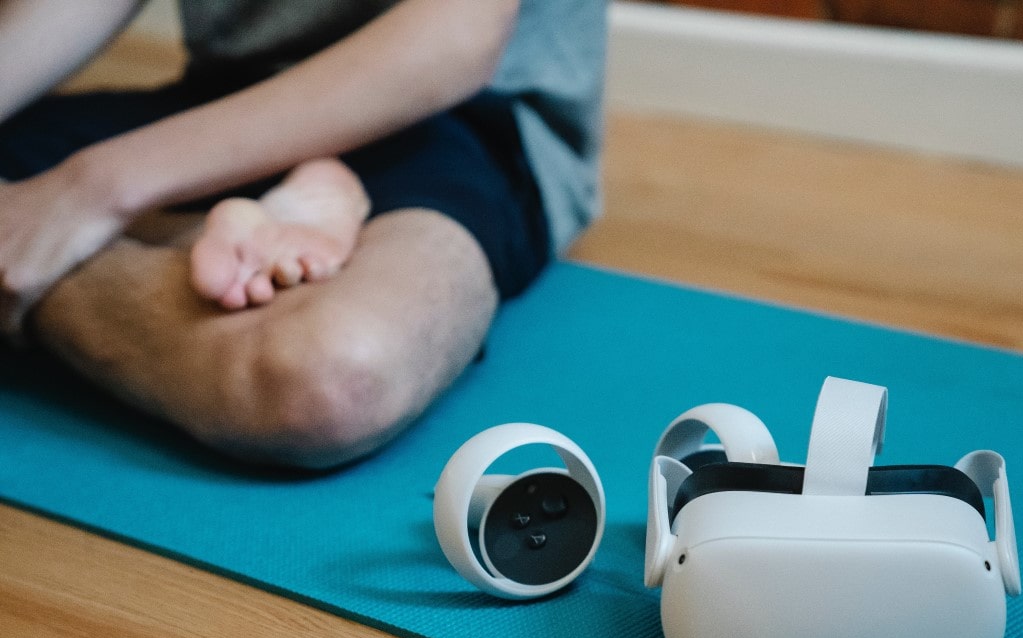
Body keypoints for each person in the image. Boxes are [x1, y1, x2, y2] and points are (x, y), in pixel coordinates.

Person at [0, 0, 607, 468]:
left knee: (326, 380)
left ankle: (181, 227)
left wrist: (92, 188)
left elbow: (454, 38)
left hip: (466, 111)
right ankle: (242, 221)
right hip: (237, 93)